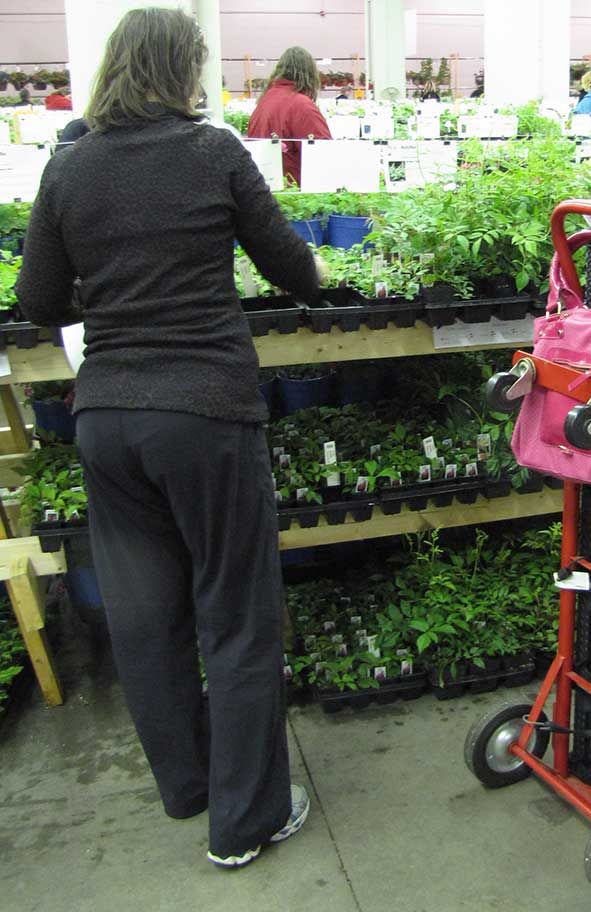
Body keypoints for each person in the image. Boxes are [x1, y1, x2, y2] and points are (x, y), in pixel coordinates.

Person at [15, 6, 320, 871]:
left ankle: (188, 790)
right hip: (207, 415)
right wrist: (323, 272)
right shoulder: (213, 150)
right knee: (238, 613)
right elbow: (289, 268)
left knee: (146, 619)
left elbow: (39, 302)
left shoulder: (67, 167)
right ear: (180, 68)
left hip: (107, 418)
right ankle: (247, 820)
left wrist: (114, 303)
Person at [247, 45, 332, 188]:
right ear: (309, 74)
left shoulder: (264, 101)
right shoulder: (301, 105)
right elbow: (324, 154)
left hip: (268, 190)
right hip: (295, 192)